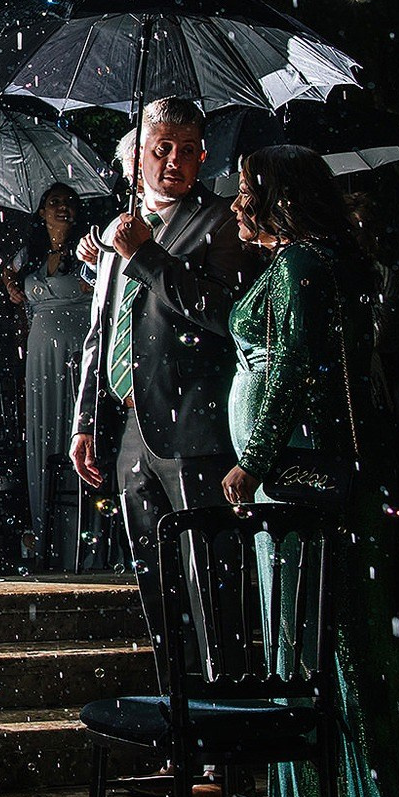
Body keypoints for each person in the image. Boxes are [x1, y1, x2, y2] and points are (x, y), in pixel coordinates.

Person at [222, 145, 399, 797]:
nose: (237, 203)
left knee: (317, 650)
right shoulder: (307, 261)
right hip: (302, 483)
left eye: (247, 189)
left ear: (281, 197)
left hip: (301, 482)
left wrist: (256, 460)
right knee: (311, 648)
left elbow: (299, 359)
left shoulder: (304, 265)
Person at [70, 97, 266, 677]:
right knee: (156, 583)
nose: (175, 161)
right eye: (162, 149)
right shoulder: (118, 230)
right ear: (135, 162)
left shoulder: (222, 221)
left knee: (210, 581)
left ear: (204, 158)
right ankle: (178, 719)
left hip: (196, 425)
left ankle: (222, 733)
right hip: (132, 426)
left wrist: (147, 256)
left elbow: (226, 314)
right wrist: (86, 420)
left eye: (187, 151)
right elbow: (99, 331)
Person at [4, 184, 94, 567]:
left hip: (77, 352)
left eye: (69, 203)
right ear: (40, 212)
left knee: (76, 434)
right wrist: (7, 281)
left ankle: (83, 544)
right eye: (54, 202)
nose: (62, 208)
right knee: (42, 437)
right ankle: (47, 540)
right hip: (40, 355)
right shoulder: (30, 254)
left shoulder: (88, 250)